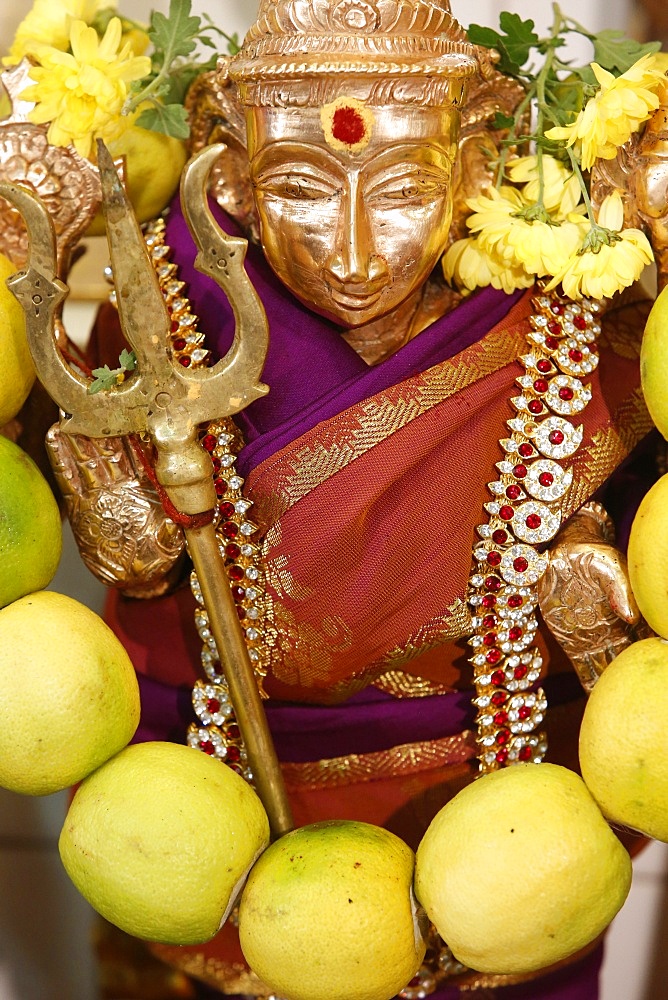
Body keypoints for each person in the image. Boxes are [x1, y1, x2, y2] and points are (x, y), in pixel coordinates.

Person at [44, 0, 658, 996]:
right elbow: (146, 599)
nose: (355, 247)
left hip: (505, 831)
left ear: (478, 161)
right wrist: (137, 534)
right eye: (300, 188)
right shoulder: (167, 306)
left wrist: (593, 586)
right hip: (215, 818)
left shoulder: (565, 315)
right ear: (228, 177)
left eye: (407, 187)